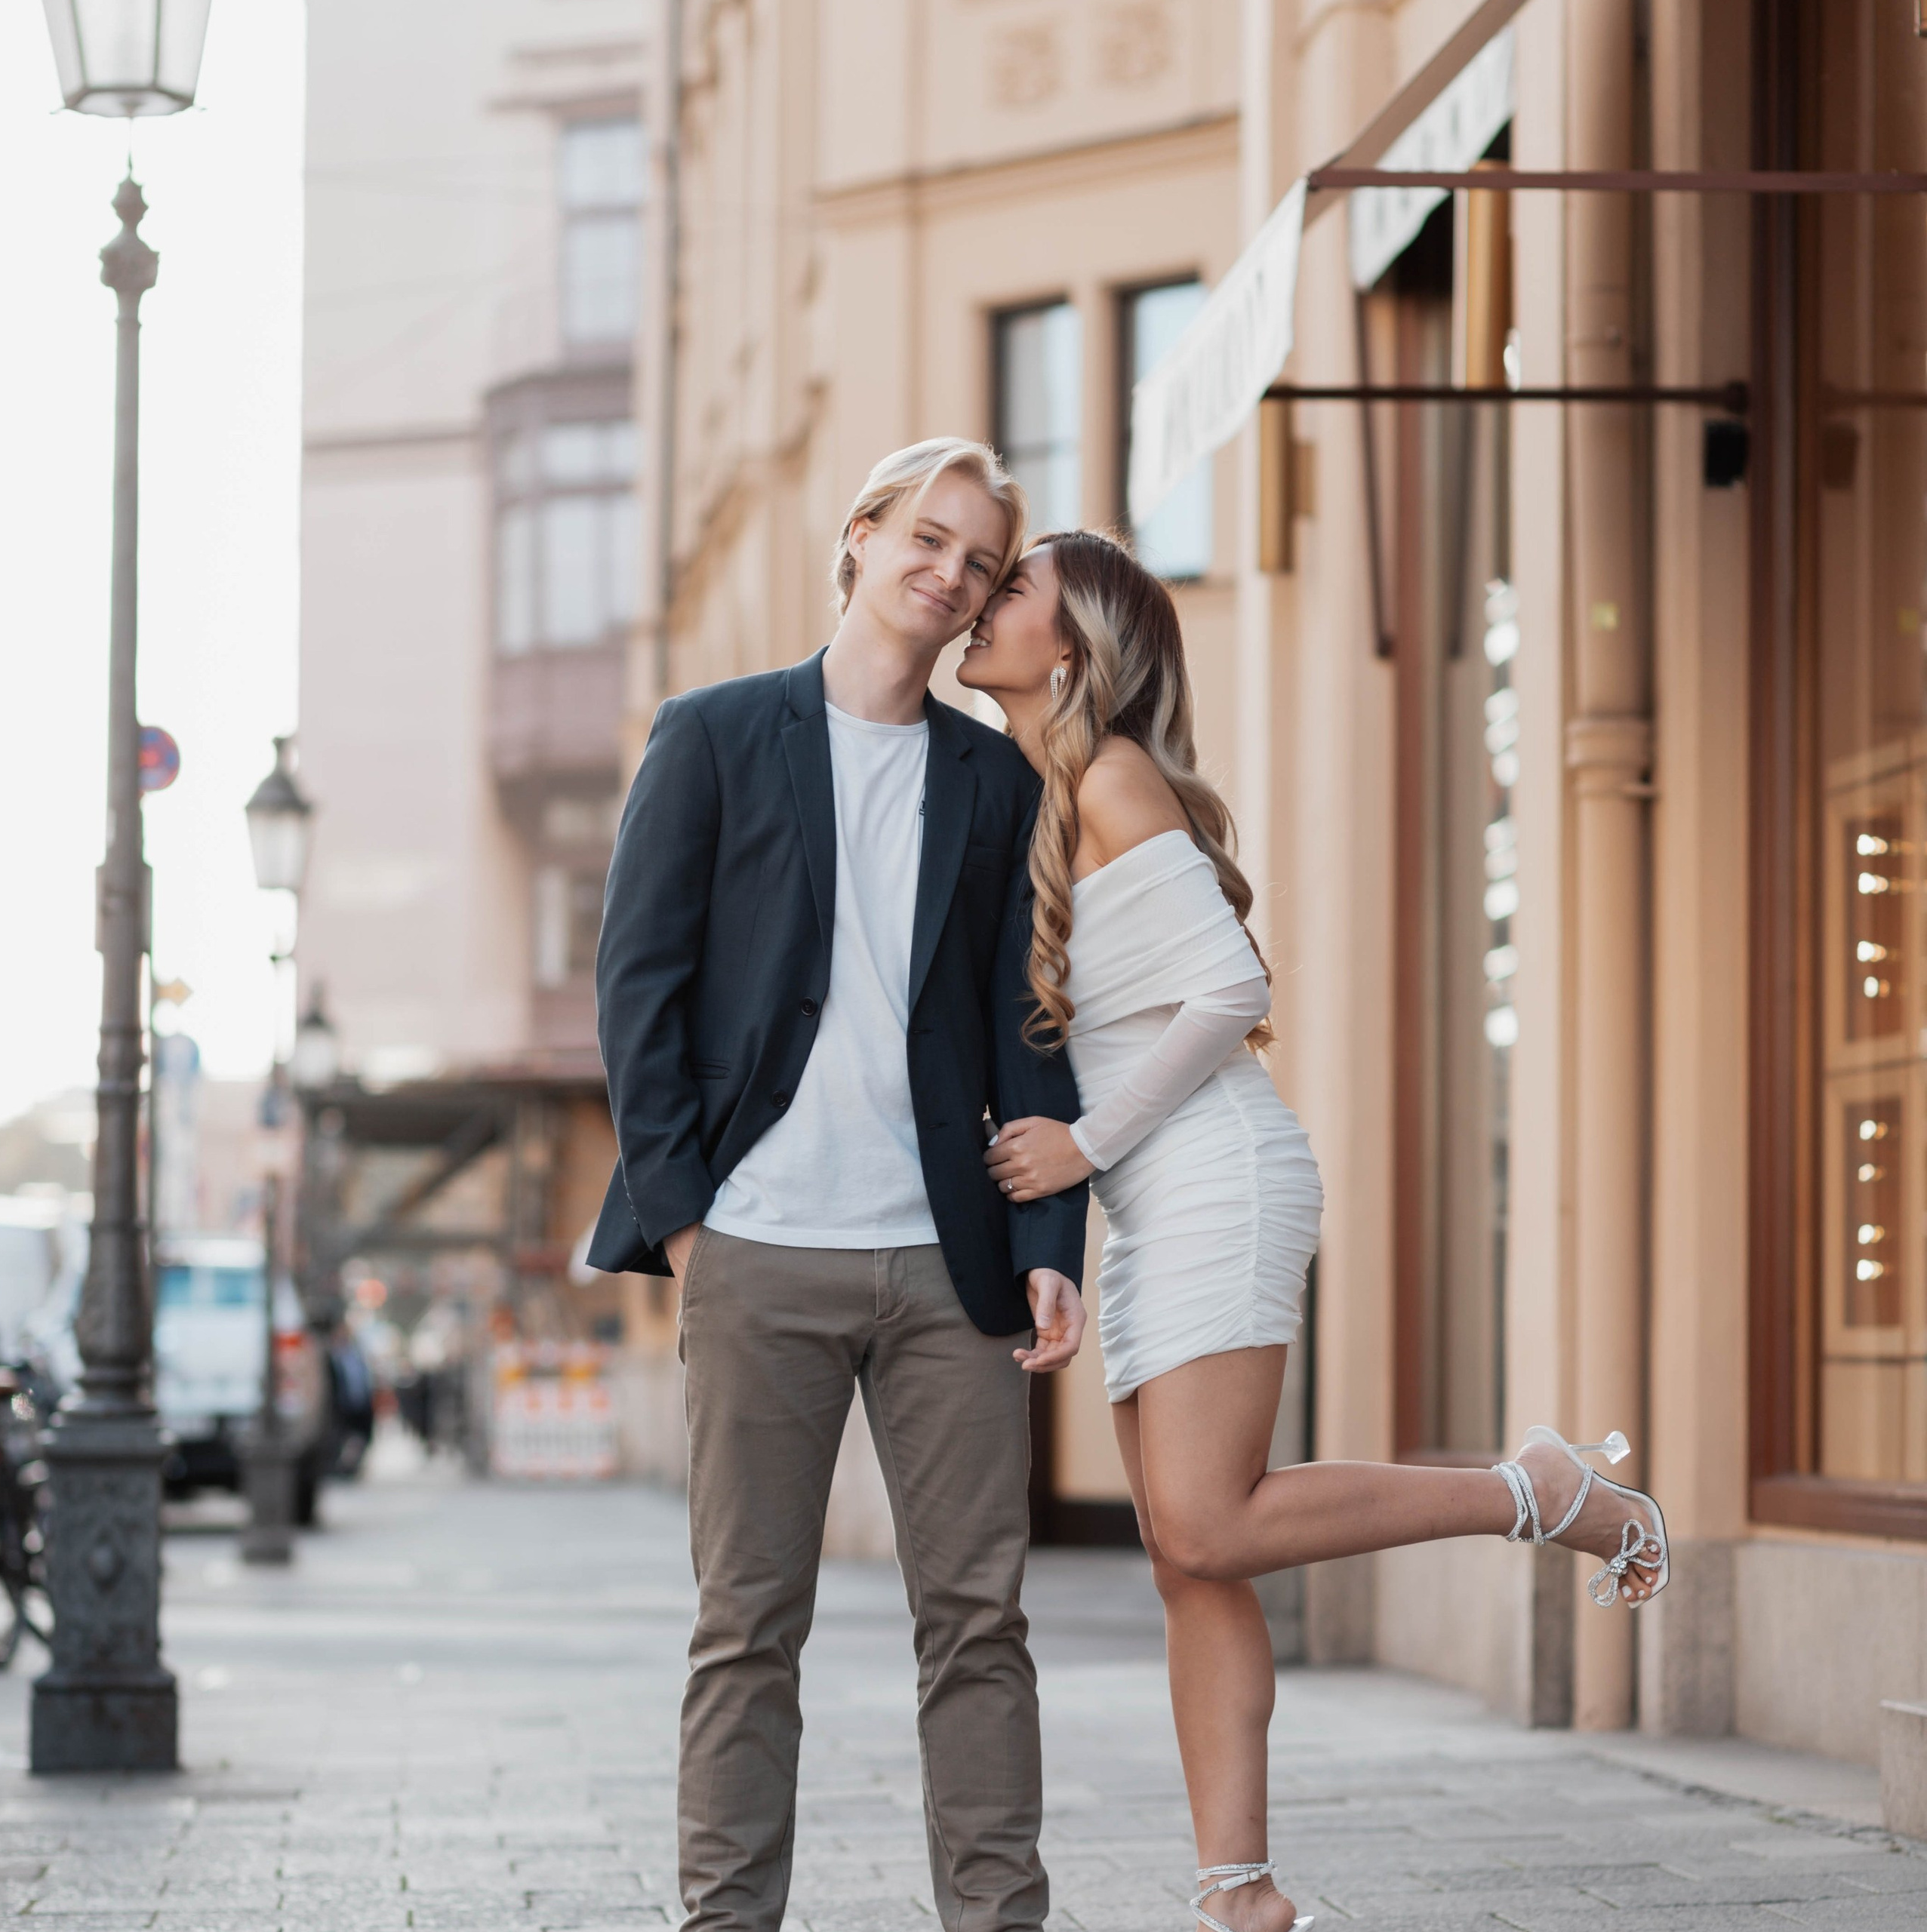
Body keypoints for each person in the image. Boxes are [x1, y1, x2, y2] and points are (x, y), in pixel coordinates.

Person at [960, 530, 1670, 1932]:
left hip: (1213, 1170)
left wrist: (1087, 1144)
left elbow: (1232, 987)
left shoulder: (1109, 776)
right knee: (1188, 1551)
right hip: (1156, 1197)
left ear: (1077, 640)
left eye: (1012, 587)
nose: (979, 604)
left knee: (1212, 1522)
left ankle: (1534, 1487)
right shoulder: (1052, 795)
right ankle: (1242, 1891)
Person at [586, 438, 1091, 1932]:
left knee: (979, 1623)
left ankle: (998, 1919)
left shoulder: (992, 780)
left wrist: (1049, 1234)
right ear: (862, 538)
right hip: (754, 1244)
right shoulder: (714, 735)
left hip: (948, 1260)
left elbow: (1026, 1018)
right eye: (925, 540)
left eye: (978, 563)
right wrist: (688, 1214)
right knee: (747, 1627)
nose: (947, 575)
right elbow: (640, 986)